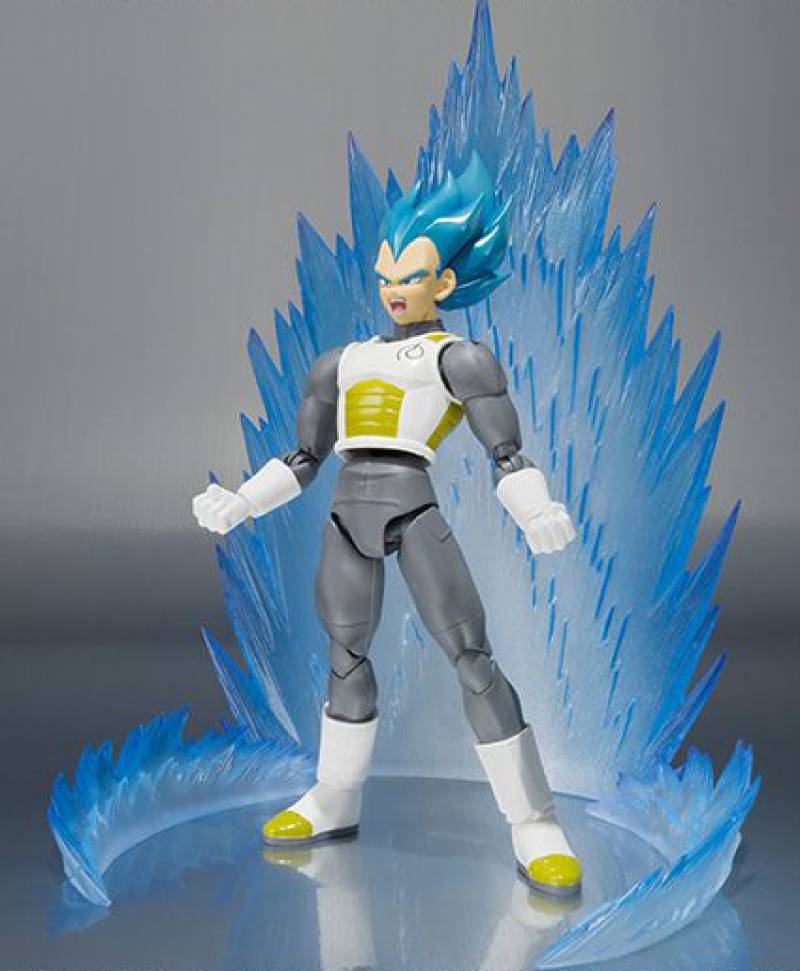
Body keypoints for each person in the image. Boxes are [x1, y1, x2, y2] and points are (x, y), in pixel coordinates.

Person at [193, 153, 582, 896]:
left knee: (471, 655)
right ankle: (335, 796)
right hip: (347, 511)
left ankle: (533, 820)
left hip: (412, 506)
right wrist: (242, 501)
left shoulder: (459, 359)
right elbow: (304, 457)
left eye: (412, 276)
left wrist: (535, 506)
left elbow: (506, 453)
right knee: (346, 656)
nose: (395, 290)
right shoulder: (339, 362)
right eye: (386, 276)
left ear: (445, 282)